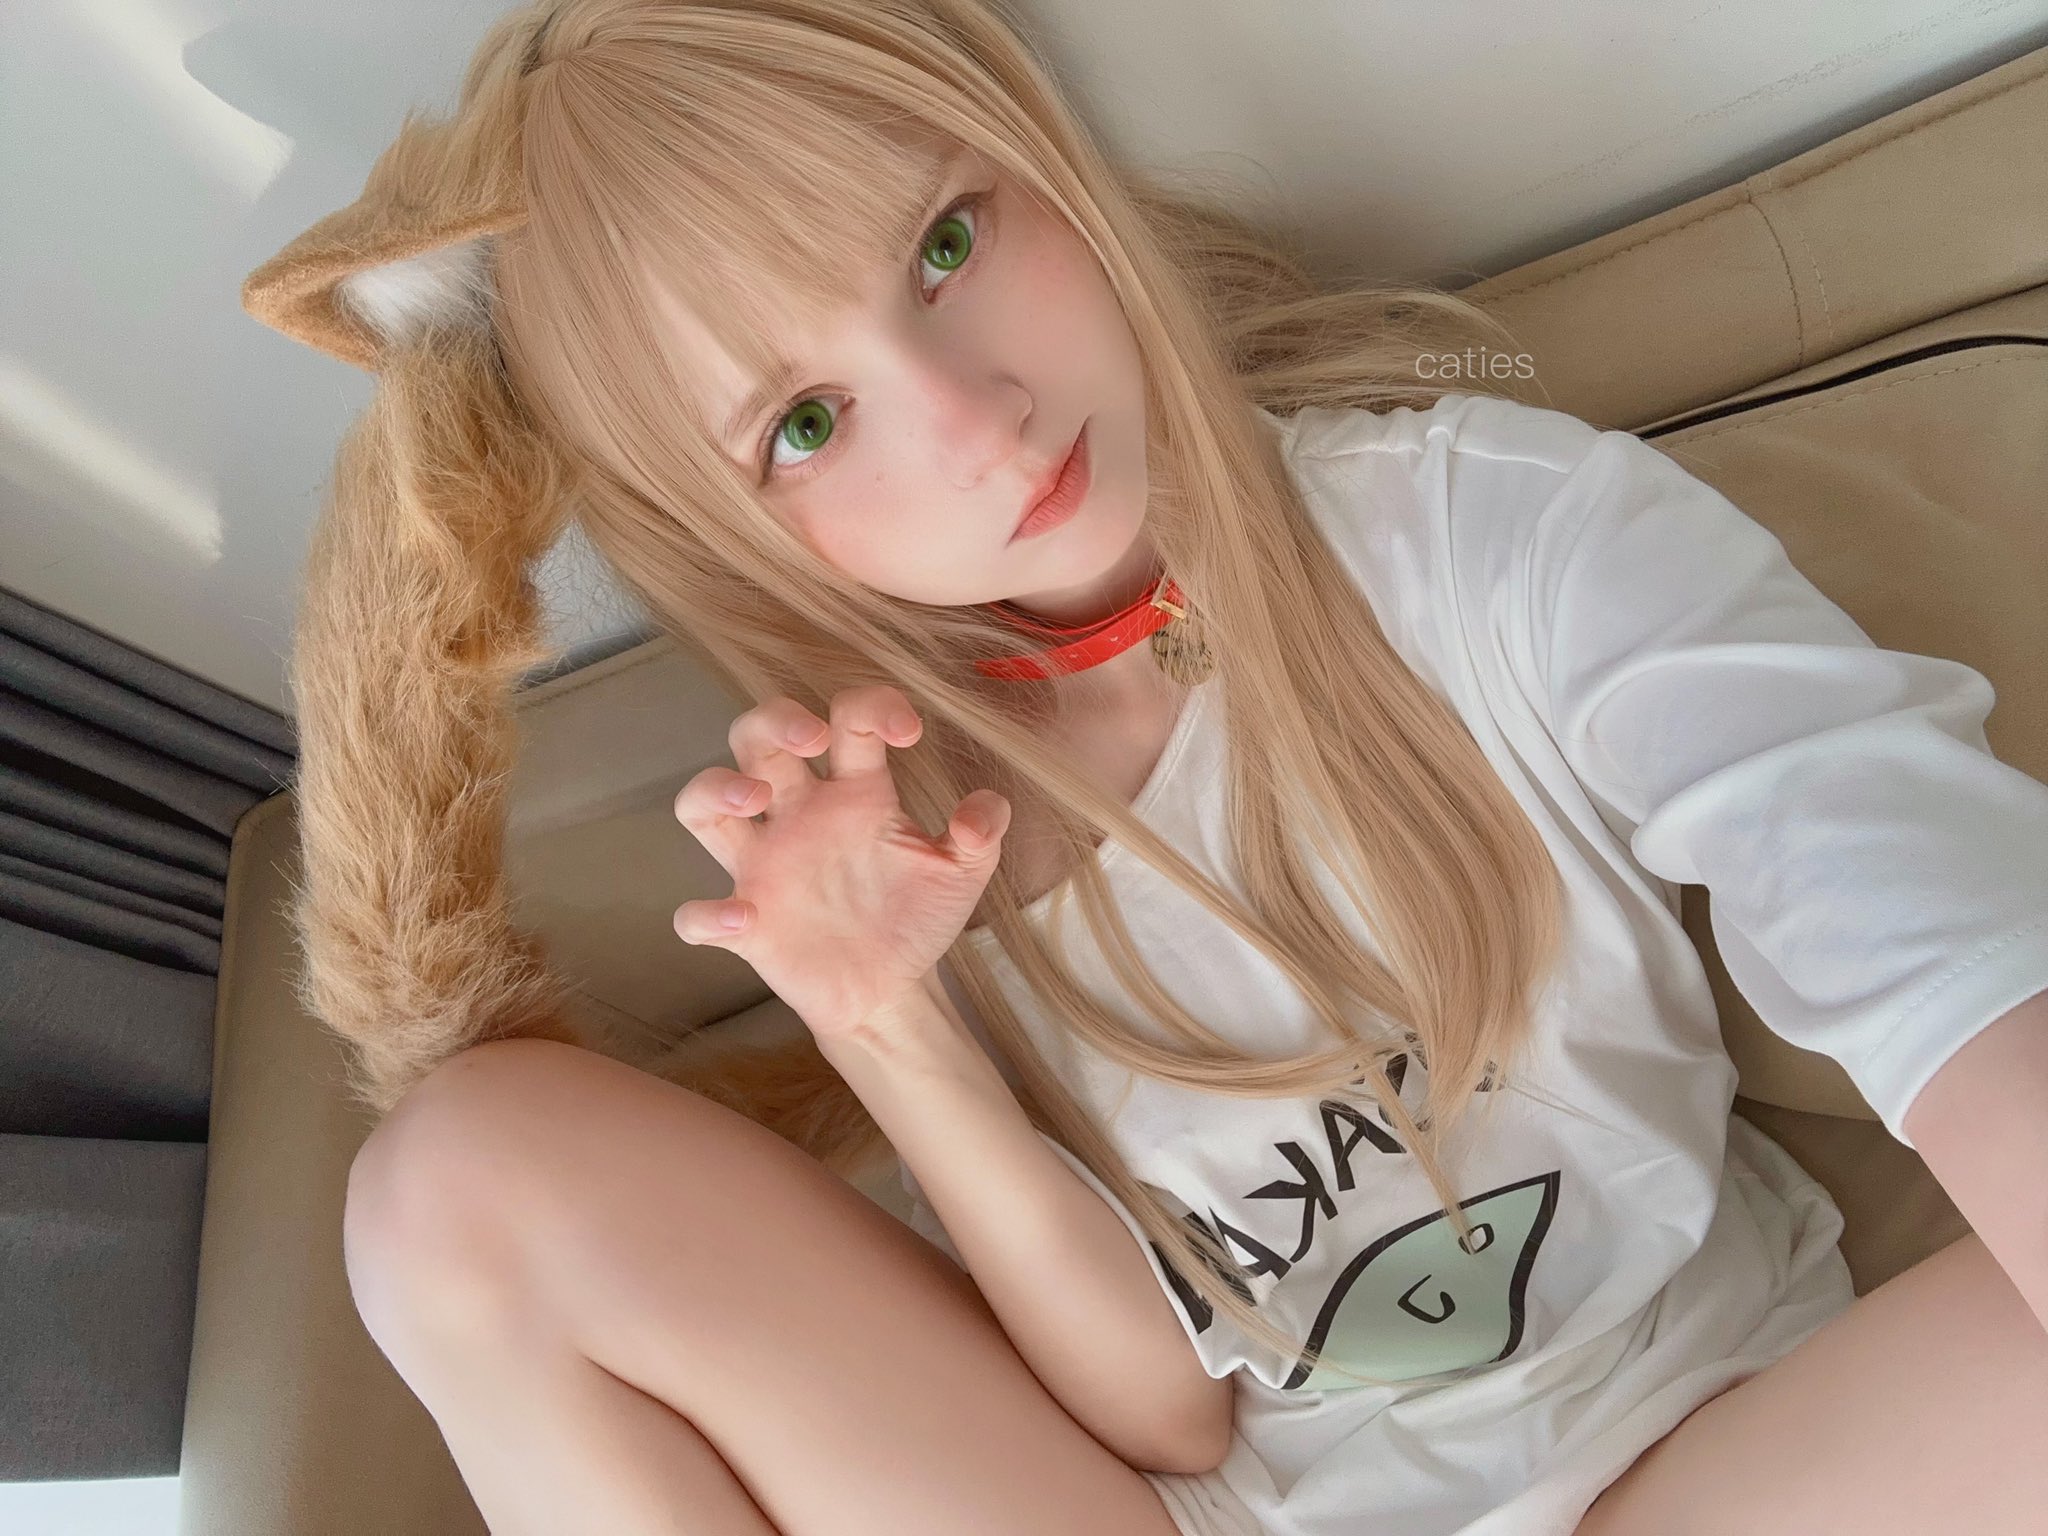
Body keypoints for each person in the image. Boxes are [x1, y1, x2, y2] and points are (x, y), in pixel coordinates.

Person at [239, 2, 2048, 1532]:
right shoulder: (897, 836)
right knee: (449, 1185)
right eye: (807, 421)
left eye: (946, 246)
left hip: (1696, 1455)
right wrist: (886, 1024)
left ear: (1047, 162)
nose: (974, 421)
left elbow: (1940, 939)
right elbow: (1172, 1421)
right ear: (734, 532)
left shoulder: (1500, 539)